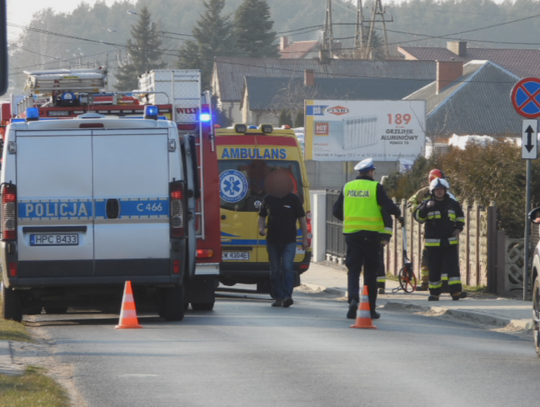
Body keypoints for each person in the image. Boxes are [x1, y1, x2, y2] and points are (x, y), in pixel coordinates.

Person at [333, 158, 402, 319]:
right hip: (371, 236)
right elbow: (387, 206)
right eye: (373, 172)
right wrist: (398, 214)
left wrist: (351, 219)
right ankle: (370, 308)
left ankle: (353, 300)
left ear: (359, 172)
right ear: (371, 172)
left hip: (352, 235)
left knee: (353, 270)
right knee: (370, 273)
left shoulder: (347, 187)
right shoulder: (375, 187)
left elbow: (336, 211)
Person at [258, 170, 308, 308]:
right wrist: (261, 229)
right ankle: (278, 297)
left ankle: (287, 296)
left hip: (289, 241)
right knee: (274, 269)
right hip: (272, 240)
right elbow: (262, 216)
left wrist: (305, 239)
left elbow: (302, 220)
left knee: (287, 267)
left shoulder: (293, 199)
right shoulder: (268, 199)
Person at [414, 178, 465, 301]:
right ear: (433, 191)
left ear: (445, 190)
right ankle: (434, 293)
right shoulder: (427, 203)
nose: (439, 191)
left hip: (450, 241)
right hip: (433, 243)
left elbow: (460, 217)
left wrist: (459, 228)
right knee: (434, 268)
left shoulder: (453, 204)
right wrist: (425, 208)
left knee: (452, 267)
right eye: (437, 189)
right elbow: (418, 218)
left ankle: (456, 292)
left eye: (441, 189)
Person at [408, 169, 458, 291]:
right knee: (427, 258)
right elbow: (411, 203)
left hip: (446, 232)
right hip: (431, 232)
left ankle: (445, 286)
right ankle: (426, 283)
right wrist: (420, 210)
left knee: (446, 260)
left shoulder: (448, 194)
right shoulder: (424, 192)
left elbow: (457, 209)